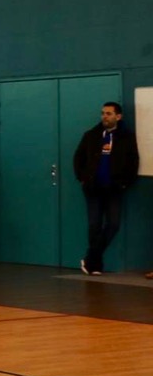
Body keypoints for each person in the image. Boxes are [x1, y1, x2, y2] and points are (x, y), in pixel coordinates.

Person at [74, 101, 139, 275]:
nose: (105, 116)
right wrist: (83, 178)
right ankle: (95, 265)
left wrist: (124, 183)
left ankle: (90, 258)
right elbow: (78, 158)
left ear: (118, 116)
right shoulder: (91, 135)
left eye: (109, 114)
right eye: (103, 113)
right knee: (94, 225)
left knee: (113, 224)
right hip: (93, 188)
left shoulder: (126, 137)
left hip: (114, 188)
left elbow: (133, 162)